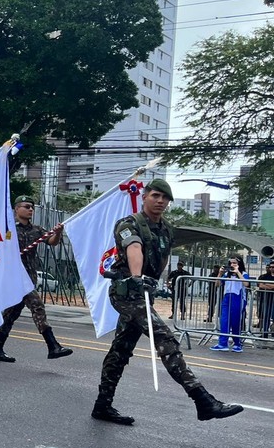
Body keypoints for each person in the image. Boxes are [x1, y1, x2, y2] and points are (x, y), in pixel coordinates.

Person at [92, 179, 242, 425]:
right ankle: (202, 400)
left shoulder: (167, 229)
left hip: (144, 293)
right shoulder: (128, 224)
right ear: (145, 197)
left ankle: (102, 405)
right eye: (156, 195)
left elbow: (162, 256)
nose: (160, 201)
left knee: (120, 351)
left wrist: (153, 283)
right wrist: (138, 278)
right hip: (127, 293)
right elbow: (134, 248)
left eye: (165, 198)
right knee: (165, 339)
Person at [0, 195, 72, 362]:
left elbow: (52, 242)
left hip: (29, 277)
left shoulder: (37, 230)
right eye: (26, 206)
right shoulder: (6, 229)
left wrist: (58, 232)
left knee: (10, 316)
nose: (30, 209)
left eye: (32, 207)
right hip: (13, 279)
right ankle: (53, 346)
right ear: (16, 209)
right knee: (37, 306)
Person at [210, 256, 249, 353]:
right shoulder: (226, 274)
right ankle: (223, 343)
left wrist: (237, 272)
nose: (232, 265)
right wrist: (220, 273)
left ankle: (237, 344)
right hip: (227, 298)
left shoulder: (243, 274)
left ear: (239, 264)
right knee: (224, 321)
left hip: (238, 299)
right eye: (230, 263)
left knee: (235, 322)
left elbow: (246, 284)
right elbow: (217, 284)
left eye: (234, 263)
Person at [258, 260, 274, 347]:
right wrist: (271, 287)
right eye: (270, 267)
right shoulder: (265, 276)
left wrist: (267, 285)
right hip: (266, 299)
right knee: (266, 316)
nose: (271, 269)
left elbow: (265, 285)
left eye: (273, 267)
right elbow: (261, 285)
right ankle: (264, 333)